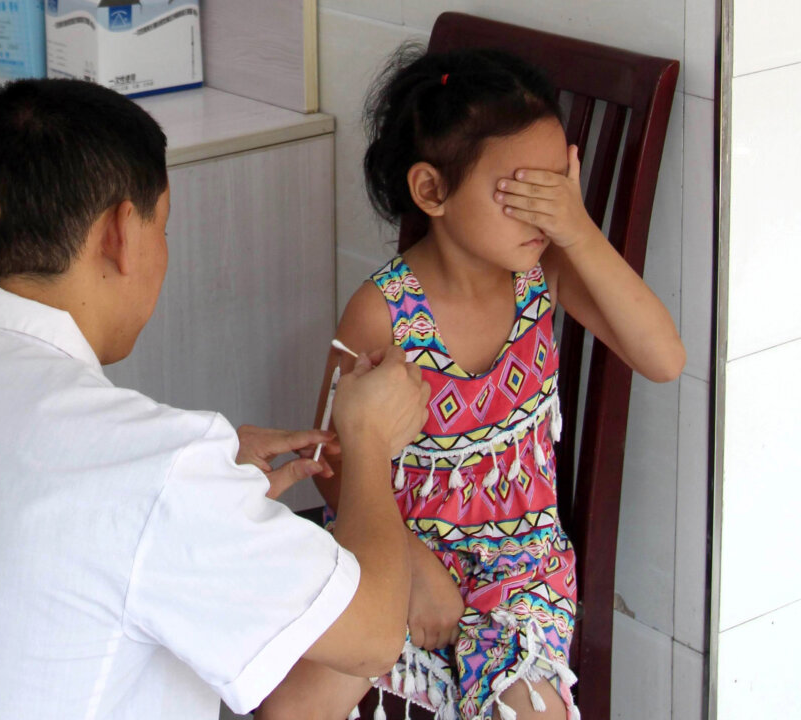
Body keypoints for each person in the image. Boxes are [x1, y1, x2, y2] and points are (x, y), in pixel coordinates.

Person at [0, 79, 432, 720]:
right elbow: (373, 633)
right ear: (120, 232)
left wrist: (206, 493)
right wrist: (369, 442)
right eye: (164, 228)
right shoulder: (147, 470)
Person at [258, 46, 685, 720]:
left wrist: (580, 232)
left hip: (519, 569)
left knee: (530, 710)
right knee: (290, 708)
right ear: (432, 192)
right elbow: (331, 459)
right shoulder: (384, 309)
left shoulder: (548, 272)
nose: (543, 215)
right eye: (521, 192)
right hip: (397, 550)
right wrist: (412, 564)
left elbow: (664, 358)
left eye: (556, 190)